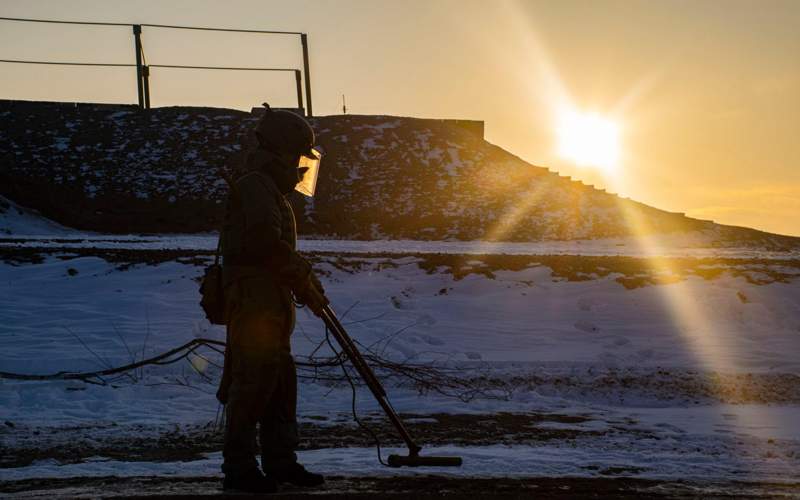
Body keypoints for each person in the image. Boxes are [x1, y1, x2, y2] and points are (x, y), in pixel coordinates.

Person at [216, 103, 328, 494]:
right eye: (298, 155)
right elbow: (266, 243)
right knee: (252, 383)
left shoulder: (270, 191)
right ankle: (240, 468)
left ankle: (281, 462)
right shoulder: (255, 187)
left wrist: (303, 282)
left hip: (271, 303)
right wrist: (302, 276)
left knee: (279, 383)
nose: (301, 165)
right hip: (254, 303)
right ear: (282, 149)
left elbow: (275, 248)